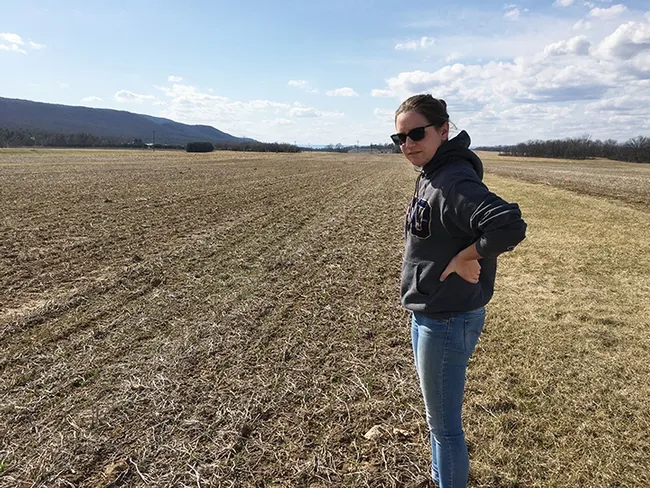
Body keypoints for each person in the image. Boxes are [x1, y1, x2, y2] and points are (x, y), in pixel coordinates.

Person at [392, 94, 527, 488]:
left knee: (445, 427)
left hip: (446, 319)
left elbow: (508, 224)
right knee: (438, 423)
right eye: (399, 138)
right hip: (431, 311)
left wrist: (469, 256)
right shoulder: (433, 173)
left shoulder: (452, 180)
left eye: (417, 133)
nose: (408, 144)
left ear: (443, 130)